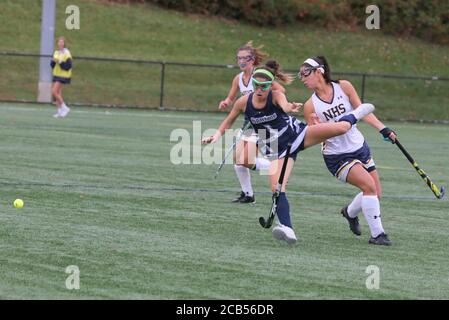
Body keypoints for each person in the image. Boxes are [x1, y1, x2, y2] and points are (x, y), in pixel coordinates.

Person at [202, 60, 376, 244]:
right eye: (256, 85)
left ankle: (357, 114)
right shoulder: (243, 102)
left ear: (271, 85)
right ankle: (288, 229)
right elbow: (228, 121)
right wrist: (215, 136)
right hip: (277, 150)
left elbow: (283, 105)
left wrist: (289, 107)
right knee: (276, 189)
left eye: (264, 85)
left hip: (298, 135)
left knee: (340, 128)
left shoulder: (276, 95)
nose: (260, 89)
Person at [301, 56, 396, 246]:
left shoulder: (344, 86)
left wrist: (383, 129)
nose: (302, 78)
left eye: (305, 73)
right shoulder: (310, 106)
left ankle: (349, 213)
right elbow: (314, 136)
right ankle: (378, 235)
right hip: (337, 156)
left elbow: (363, 111)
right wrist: (319, 129)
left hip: (359, 146)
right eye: (300, 75)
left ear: (319, 71)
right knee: (368, 187)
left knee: (376, 193)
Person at [219, 41, 285, 204]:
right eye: (239, 58)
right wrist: (226, 102)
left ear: (253, 59)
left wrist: (266, 100)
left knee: (244, 159)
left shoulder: (260, 74)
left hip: (264, 123)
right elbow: (232, 97)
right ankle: (248, 194)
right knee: (238, 160)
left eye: (245, 58)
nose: (241, 61)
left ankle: (273, 168)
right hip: (249, 123)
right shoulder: (238, 79)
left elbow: (280, 90)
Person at [50, 36, 72, 118]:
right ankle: (59, 111)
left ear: (64, 43)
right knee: (58, 93)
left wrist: (60, 62)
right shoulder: (56, 52)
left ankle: (65, 107)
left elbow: (68, 66)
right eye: (59, 42)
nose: (60, 43)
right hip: (57, 74)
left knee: (54, 92)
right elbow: (52, 65)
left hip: (64, 75)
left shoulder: (67, 53)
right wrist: (53, 61)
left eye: (62, 42)